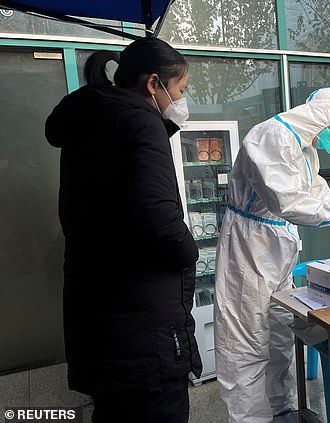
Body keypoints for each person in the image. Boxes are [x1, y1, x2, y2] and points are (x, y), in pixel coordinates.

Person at [45, 37, 201, 423]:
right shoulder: (140, 124)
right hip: (144, 337)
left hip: (99, 328)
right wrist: (190, 251)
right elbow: (162, 224)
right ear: (153, 84)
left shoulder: (91, 123)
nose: (180, 100)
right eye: (179, 90)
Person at [214, 87, 330, 423]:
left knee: (278, 333)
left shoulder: (305, 148)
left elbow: (314, 191)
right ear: (326, 119)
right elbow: (289, 202)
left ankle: (282, 408)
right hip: (249, 251)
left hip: (276, 250)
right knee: (247, 345)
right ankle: (251, 419)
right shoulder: (271, 136)